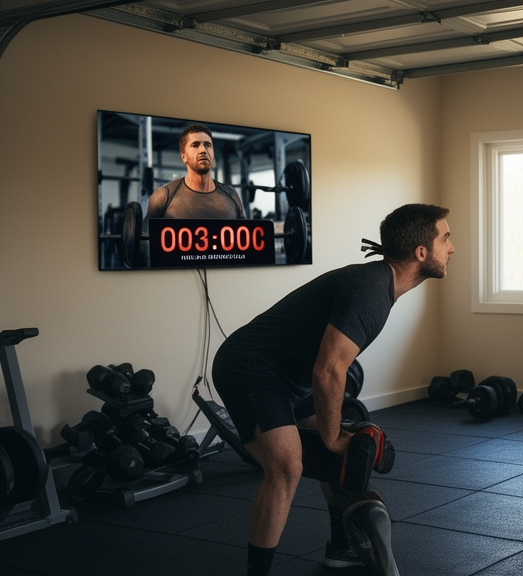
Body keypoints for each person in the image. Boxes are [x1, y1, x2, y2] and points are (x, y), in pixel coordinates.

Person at [211, 204, 453, 576]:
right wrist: (331, 435)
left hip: (293, 373)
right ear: (421, 253)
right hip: (249, 368)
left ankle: (341, 547)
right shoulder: (372, 291)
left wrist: (334, 437)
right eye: (445, 239)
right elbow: (329, 370)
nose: (451, 248)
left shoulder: (379, 284)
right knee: (288, 466)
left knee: (339, 455)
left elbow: (325, 368)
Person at [146, 124, 247, 220]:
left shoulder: (232, 196)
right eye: (195, 145)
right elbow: (145, 236)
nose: (203, 150)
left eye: (207, 145)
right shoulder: (164, 196)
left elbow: (246, 237)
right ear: (184, 156)